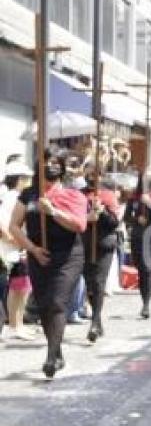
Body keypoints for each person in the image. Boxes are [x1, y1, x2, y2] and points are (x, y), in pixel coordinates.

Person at [8, 151, 87, 377]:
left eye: (56, 162)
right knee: (44, 306)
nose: (51, 166)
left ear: (62, 168)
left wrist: (53, 211)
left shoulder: (73, 194)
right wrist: (32, 248)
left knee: (57, 302)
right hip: (39, 255)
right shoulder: (28, 195)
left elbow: (79, 225)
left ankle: (51, 357)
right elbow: (14, 226)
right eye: (47, 162)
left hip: (68, 256)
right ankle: (57, 352)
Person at [81, 170, 120, 343]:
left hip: (104, 244)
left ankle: (94, 323)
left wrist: (102, 211)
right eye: (88, 176)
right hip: (85, 245)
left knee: (98, 282)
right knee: (90, 284)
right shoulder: (80, 195)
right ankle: (97, 319)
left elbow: (114, 222)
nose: (91, 179)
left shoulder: (108, 196)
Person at [124, 175, 151, 319]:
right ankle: (144, 299)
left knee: (149, 270)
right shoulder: (134, 198)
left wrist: (149, 202)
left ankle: (146, 305)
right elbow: (126, 217)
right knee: (141, 270)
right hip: (137, 238)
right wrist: (136, 219)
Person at [0, 162, 34, 340]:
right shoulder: (11, 198)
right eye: (26, 178)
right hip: (12, 248)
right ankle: (15, 324)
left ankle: (18, 323)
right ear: (20, 179)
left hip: (18, 246)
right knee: (17, 288)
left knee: (23, 287)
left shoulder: (14, 196)